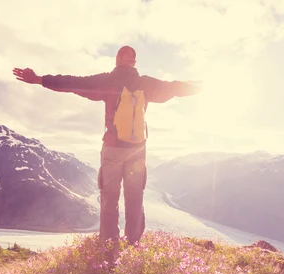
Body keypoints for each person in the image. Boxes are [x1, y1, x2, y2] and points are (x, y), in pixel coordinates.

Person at [13, 46, 201, 249]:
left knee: (109, 199)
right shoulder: (146, 84)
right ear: (134, 63)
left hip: (112, 149)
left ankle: (109, 246)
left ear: (117, 59)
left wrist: (40, 79)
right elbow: (175, 87)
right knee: (135, 199)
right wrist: (203, 86)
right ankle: (134, 244)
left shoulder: (107, 81)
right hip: (138, 151)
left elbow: (72, 83)